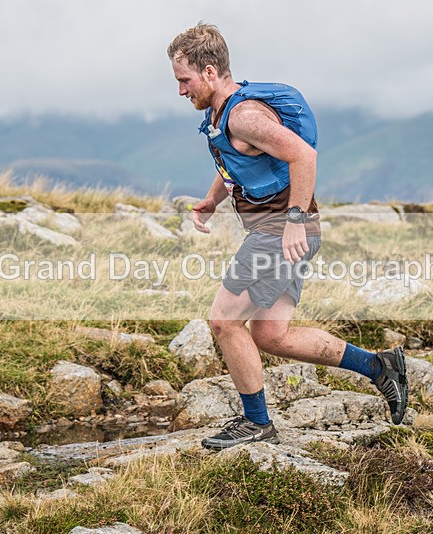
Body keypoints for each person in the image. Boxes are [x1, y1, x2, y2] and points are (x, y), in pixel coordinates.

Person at [168, 22, 408, 450]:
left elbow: (303, 155)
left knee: (224, 321)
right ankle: (379, 367)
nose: (181, 90)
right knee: (271, 335)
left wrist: (295, 219)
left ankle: (256, 423)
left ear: (208, 72)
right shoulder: (220, 113)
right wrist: (211, 201)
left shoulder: (245, 115)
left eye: (184, 80)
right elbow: (235, 163)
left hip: (280, 232)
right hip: (280, 231)